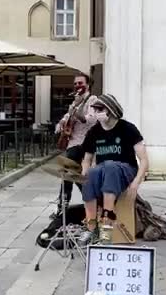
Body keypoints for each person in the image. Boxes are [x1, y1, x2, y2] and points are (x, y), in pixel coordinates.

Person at [77, 94, 149, 245]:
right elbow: (87, 159)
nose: (96, 112)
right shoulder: (94, 131)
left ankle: (106, 225)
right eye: (95, 109)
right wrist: (84, 174)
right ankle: (91, 228)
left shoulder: (128, 128)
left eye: (100, 109)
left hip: (125, 169)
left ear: (110, 110)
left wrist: (136, 183)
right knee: (92, 172)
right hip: (103, 171)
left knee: (110, 166)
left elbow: (143, 160)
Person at [52, 73, 98, 218]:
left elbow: (91, 120)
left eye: (80, 83)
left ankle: (63, 206)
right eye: (75, 84)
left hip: (84, 142)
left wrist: (76, 112)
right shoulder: (75, 101)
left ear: (88, 85)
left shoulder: (92, 100)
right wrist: (61, 123)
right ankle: (87, 199)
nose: (77, 86)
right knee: (71, 174)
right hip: (72, 142)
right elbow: (67, 116)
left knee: (68, 170)